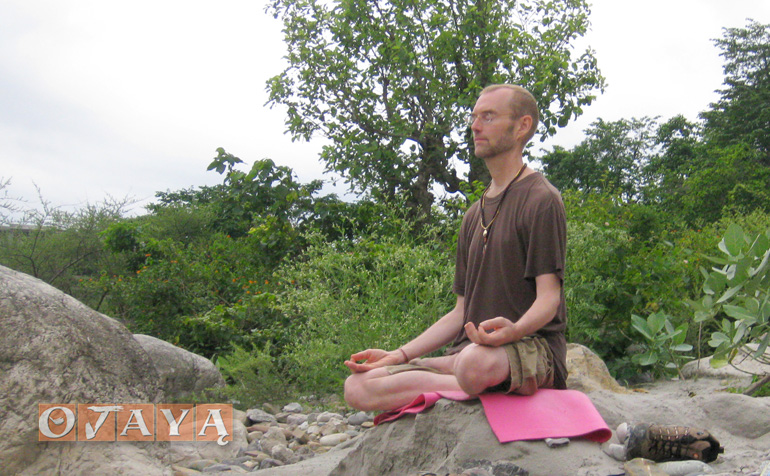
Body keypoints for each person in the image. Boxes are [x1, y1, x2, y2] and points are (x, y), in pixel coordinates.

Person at [344, 84, 568, 412]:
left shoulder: (542, 199)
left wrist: (514, 331)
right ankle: (460, 379)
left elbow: (549, 298)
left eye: (488, 117)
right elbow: (461, 312)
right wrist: (400, 354)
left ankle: (459, 376)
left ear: (522, 126)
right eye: (474, 117)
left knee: (474, 364)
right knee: (357, 387)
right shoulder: (473, 215)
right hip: (470, 356)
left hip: (529, 350)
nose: (475, 126)